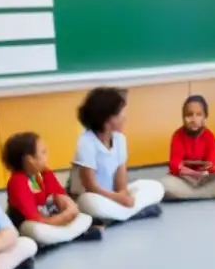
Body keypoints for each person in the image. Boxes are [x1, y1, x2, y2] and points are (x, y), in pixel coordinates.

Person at [69, 86, 165, 222]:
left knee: (156, 187)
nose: (125, 118)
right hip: (94, 196)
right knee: (88, 202)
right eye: (121, 114)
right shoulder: (86, 142)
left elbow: (121, 183)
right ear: (107, 119)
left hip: (113, 198)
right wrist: (118, 198)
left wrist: (122, 195)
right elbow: (90, 186)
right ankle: (131, 213)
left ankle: (115, 217)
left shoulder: (120, 139)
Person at [3, 132, 101, 247]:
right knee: (35, 230)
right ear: (30, 160)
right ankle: (70, 234)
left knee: (83, 217)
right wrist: (62, 219)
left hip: (49, 218)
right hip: (31, 224)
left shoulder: (42, 173)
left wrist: (70, 207)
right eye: (43, 152)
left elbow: (59, 194)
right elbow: (34, 218)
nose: (47, 156)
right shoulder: (17, 182)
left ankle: (62, 236)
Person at [161, 95, 215, 201]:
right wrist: (193, 174)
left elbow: (212, 164)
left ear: (205, 117)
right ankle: (207, 194)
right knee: (165, 184)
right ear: (183, 117)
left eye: (198, 115)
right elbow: (174, 165)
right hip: (183, 179)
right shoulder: (178, 136)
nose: (193, 119)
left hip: (205, 179)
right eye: (189, 115)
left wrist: (203, 174)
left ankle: (190, 195)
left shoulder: (209, 137)